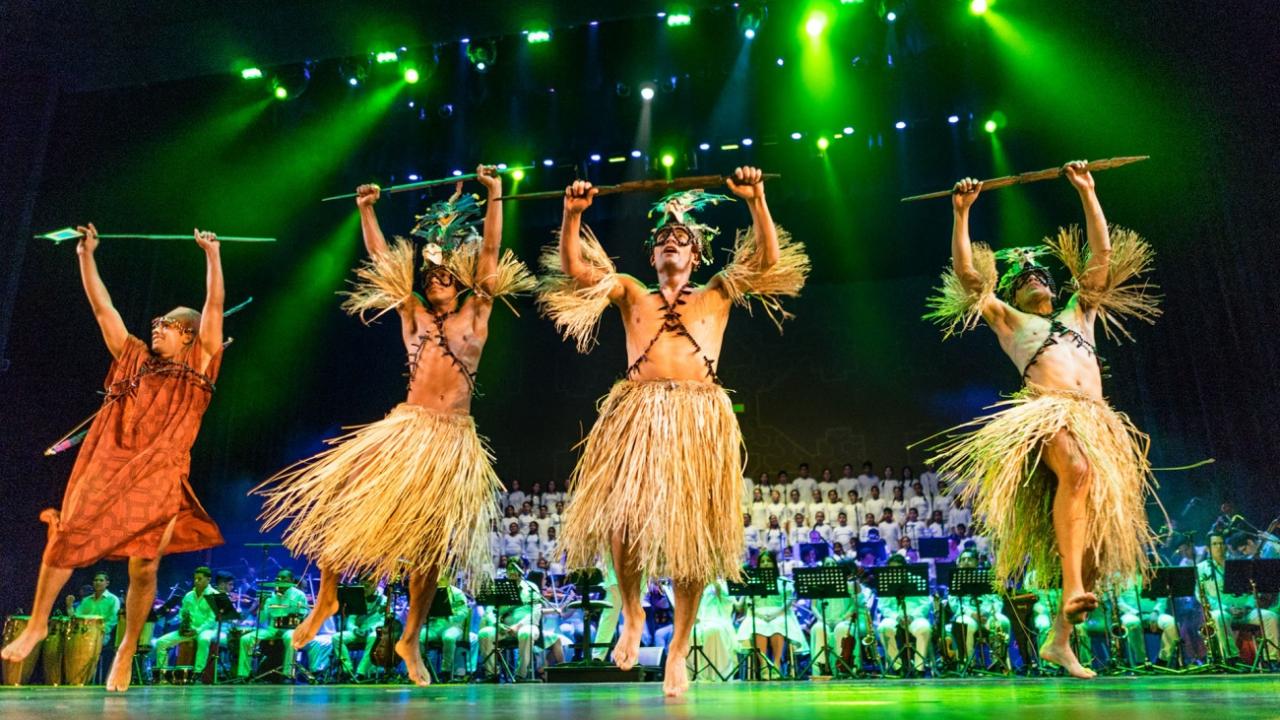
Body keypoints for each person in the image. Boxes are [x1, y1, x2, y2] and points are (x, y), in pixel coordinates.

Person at [254, 167, 533, 686]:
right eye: (431, 276)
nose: (436, 280)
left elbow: (492, 253)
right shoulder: (414, 314)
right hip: (404, 428)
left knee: (427, 548)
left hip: (452, 439)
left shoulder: (477, 313)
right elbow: (383, 259)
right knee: (347, 515)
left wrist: (495, 194)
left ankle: (410, 637)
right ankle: (327, 597)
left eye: (446, 273)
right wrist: (366, 210)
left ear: (461, 278)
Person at [540, 167, 808, 698]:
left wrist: (757, 200)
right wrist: (572, 215)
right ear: (651, 253)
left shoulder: (717, 291)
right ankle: (634, 614)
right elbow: (575, 270)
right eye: (662, 238)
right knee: (622, 517)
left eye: (681, 238)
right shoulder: (631, 292)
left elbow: (769, 262)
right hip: (638, 412)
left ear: (697, 253)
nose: (670, 243)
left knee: (694, 542)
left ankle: (679, 649)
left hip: (699, 418)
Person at [923, 162, 1162, 679]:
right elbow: (968, 278)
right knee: (1074, 471)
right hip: (1045, 415)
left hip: (1097, 421)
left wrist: (1087, 191)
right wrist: (962, 213)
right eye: (1023, 278)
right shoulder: (1012, 321)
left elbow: (1101, 255)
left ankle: (1060, 637)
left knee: (1096, 535)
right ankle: (1072, 585)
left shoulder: (1080, 311)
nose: (1035, 279)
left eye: (1041, 275)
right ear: (1012, 294)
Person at [1, 226, 227, 692]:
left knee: (144, 565)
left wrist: (212, 256)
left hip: (160, 471)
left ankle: (126, 649)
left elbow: (214, 309)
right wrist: (86, 256)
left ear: (187, 334)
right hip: (107, 464)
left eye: (165, 324)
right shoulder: (132, 359)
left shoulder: (200, 365)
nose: (155, 328)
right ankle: (39, 622)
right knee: (66, 535)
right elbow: (102, 307)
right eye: (155, 324)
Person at [152, 566, 221, 677]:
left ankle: (198, 672)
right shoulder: (189, 595)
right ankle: (163, 673)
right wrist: (182, 625)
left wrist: (197, 630)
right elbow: (182, 614)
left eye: (200, 578)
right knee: (161, 642)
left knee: (203, 639)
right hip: (189, 630)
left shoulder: (215, 595)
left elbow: (212, 620)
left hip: (207, 630)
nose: (196, 581)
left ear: (208, 580)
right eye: (195, 578)